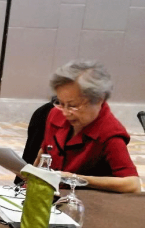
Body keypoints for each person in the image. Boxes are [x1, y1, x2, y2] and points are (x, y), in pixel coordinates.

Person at [36, 60, 141, 193]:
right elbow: (44, 152)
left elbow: (133, 185)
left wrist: (74, 178)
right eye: (61, 103)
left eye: (73, 105)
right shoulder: (56, 114)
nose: (65, 112)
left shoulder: (109, 132)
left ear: (99, 100)